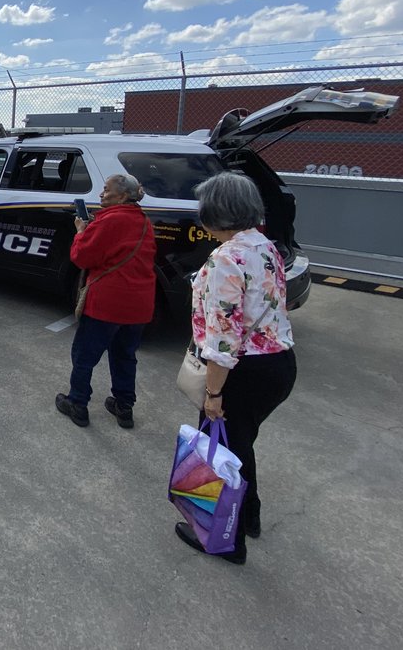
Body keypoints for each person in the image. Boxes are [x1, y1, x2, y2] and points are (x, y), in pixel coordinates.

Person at [174, 171, 296, 566]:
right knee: (239, 447)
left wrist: (212, 394)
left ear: (215, 212)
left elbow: (223, 341)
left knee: (222, 453)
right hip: (279, 364)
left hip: (244, 371)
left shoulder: (226, 258)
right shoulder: (264, 245)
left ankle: (227, 540)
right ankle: (251, 516)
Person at [55, 174, 157, 430]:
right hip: (139, 303)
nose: (101, 194)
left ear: (122, 196)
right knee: (124, 355)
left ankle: (77, 403)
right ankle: (124, 407)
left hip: (108, 302)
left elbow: (82, 257)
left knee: (85, 355)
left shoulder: (110, 220)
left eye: (105, 189)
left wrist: (80, 232)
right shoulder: (143, 221)